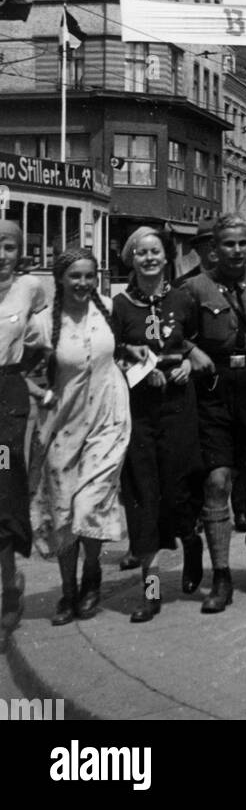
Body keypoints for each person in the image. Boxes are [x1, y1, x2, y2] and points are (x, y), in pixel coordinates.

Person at [180, 214, 246, 613]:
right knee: (217, 480)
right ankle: (221, 575)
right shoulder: (192, 289)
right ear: (214, 248)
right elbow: (171, 332)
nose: (236, 251)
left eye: (242, 244)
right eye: (228, 245)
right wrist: (191, 350)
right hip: (213, 388)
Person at [29, 249, 131, 625]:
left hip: (109, 417)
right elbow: (17, 366)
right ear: (61, 278)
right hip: (63, 423)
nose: (83, 284)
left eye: (89, 276)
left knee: (90, 503)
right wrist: (40, 393)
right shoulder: (42, 323)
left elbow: (120, 346)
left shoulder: (106, 306)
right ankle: (67, 592)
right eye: (75, 276)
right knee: (62, 511)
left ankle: (92, 578)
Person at [111, 227, 204, 623]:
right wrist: (136, 366)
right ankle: (151, 594)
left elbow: (196, 345)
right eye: (140, 253)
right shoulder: (120, 304)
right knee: (144, 498)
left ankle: (192, 545)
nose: (148, 258)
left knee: (179, 488)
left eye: (155, 252)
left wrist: (186, 363)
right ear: (132, 260)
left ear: (166, 258)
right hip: (140, 409)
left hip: (179, 406)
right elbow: (112, 352)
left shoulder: (183, 298)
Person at [0, 221, 47, 638]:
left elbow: (42, 341)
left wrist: (29, 379)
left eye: (9, 246)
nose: (1, 254)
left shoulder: (29, 289)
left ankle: (10, 586)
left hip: (6, 394)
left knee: (3, 480)